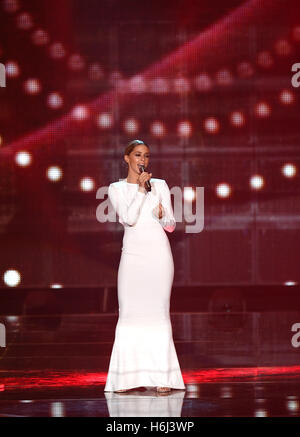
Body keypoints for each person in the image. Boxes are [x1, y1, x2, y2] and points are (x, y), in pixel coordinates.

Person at [104, 139, 185, 393]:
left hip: (159, 256)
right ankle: (126, 378)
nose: (143, 160)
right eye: (138, 155)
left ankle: (163, 377)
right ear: (126, 158)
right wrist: (140, 191)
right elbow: (128, 218)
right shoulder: (115, 188)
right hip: (133, 257)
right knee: (129, 315)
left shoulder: (159, 185)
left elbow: (171, 224)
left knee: (159, 314)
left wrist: (162, 215)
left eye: (147, 156)